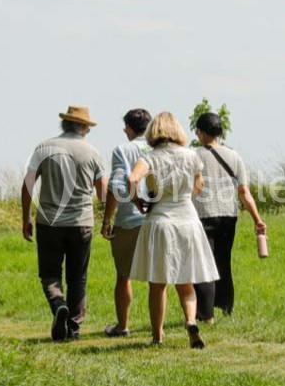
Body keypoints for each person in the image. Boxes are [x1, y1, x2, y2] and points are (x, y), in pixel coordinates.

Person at [127, 112, 218, 349]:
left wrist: (138, 202)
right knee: (186, 281)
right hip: (188, 219)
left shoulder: (149, 157)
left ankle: (157, 334)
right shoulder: (192, 156)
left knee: (158, 283)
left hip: (161, 220)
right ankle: (190, 321)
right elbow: (198, 187)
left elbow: (132, 179)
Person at [22, 106, 108, 342]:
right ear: (83, 128)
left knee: (50, 274)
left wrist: (25, 217)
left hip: (49, 222)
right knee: (77, 277)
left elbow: (27, 185)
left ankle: (58, 303)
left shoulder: (44, 148)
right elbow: (103, 193)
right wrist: (107, 219)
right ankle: (74, 326)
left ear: (65, 124)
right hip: (81, 222)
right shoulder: (93, 153)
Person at [192, 112, 267, 322]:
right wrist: (257, 219)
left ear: (201, 132)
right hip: (228, 215)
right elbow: (244, 192)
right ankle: (226, 306)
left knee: (203, 264)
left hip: (202, 215)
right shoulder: (234, 156)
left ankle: (205, 312)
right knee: (223, 261)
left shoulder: (193, 155)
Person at [100, 108, 152, 338]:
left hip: (129, 220)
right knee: (157, 278)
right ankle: (156, 328)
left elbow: (116, 186)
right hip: (156, 219)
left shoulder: (122, 150)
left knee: (124, 276)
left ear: (128, 129)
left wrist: (107, 219)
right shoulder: (158, 149)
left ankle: (123, 326)